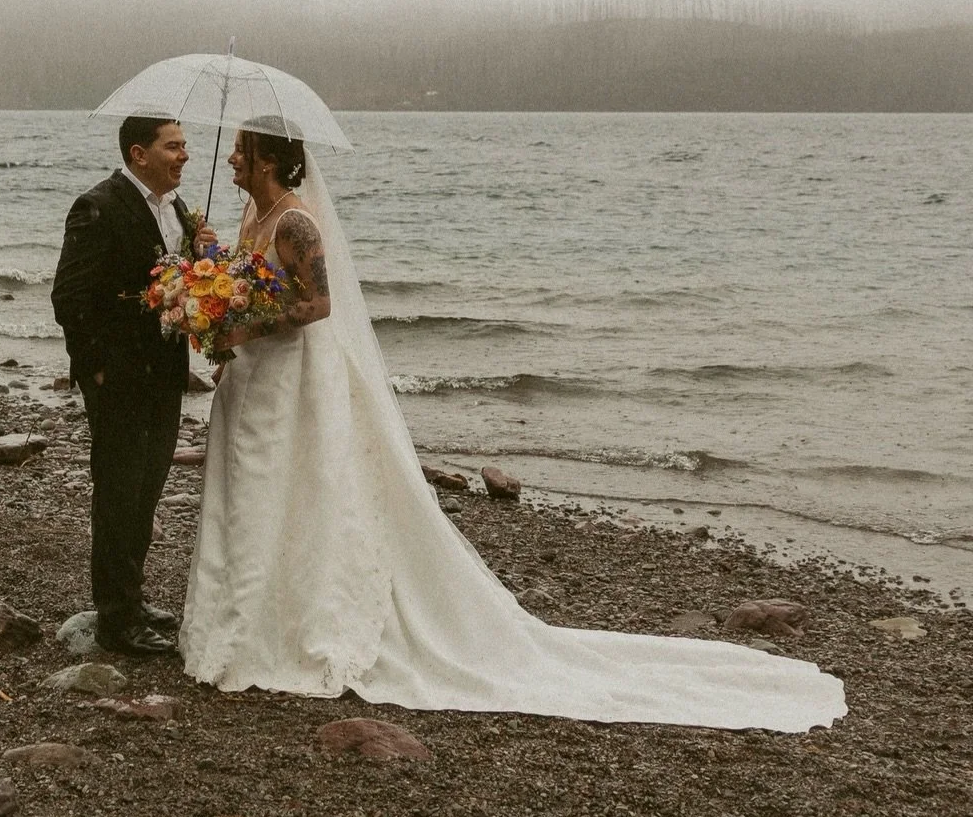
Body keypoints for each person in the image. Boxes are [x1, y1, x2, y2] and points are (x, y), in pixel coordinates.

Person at [180, 125, 847, 731]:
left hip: (296, 376)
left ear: (267, 157)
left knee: (294, 489)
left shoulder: (297, 223)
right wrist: (214, 284)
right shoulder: (252, 213)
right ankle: (244, 622)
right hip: (258, 374)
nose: (232, 158)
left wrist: (244, 321)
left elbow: (317, 303)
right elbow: (250, 281)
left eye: (241, 149)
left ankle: (288, 627)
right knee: (257, 492)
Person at [52, 116, 213, 657]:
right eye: (174, 146)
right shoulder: (98, 206)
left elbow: (178, 285)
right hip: (117, 378)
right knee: (119, 494)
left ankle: (132, 598)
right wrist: (94, 367)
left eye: (186, 145)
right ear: (139, 154)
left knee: (147, 491)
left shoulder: (181, 212)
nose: (185, 155)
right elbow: (69, 297)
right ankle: (116, 619)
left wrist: (202, 255)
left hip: (165, 375)